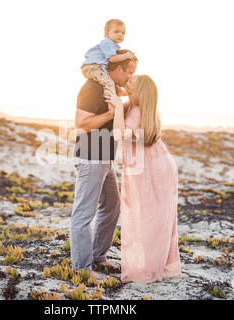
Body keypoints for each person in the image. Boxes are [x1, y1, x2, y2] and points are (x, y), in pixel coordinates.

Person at [109, 74, 182, 284]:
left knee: (148, 219)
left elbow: (119, 133)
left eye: (133, 81)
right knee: (157, 218)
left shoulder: (136, 111)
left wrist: (116, 107)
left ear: (138, 91)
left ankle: (150, 269)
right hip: (161, 165)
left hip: (151, 169)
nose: (128, 81)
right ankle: (156, 265)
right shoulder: (145, 109)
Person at [71, 50, 138, 280]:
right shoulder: (93, 87)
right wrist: (110, 114)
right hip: (91, 157)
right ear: (117, 69)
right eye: (129, 73)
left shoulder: (111, 89)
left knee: (111, 206)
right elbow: (81, 123)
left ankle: (98, 257)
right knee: (83, 215)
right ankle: (81, 269)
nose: (130, 78)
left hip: (104, 159)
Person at [81, 19, 136, 101]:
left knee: (108, 80)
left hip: (95, 67)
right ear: (106, 33)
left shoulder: (111, 45)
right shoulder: (108, 43)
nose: (120, 35)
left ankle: (118, 92)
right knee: (108, 83)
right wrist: (126, 56)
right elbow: (112, 59)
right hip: (93, 67)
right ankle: (112, 103)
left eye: (123, 33)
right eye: (116, 32)